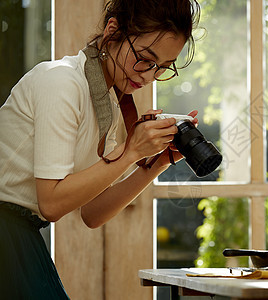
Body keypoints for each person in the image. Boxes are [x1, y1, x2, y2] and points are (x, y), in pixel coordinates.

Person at [0, 0, 201, 298]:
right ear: (112, 30)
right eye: (145, 59)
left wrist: (155, 164)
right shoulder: (62, 82)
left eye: (162, 68)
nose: (148, 76)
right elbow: (51, 204)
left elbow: (92, 214)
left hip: (22, 235)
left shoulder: (109, 105)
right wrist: (131, 152)